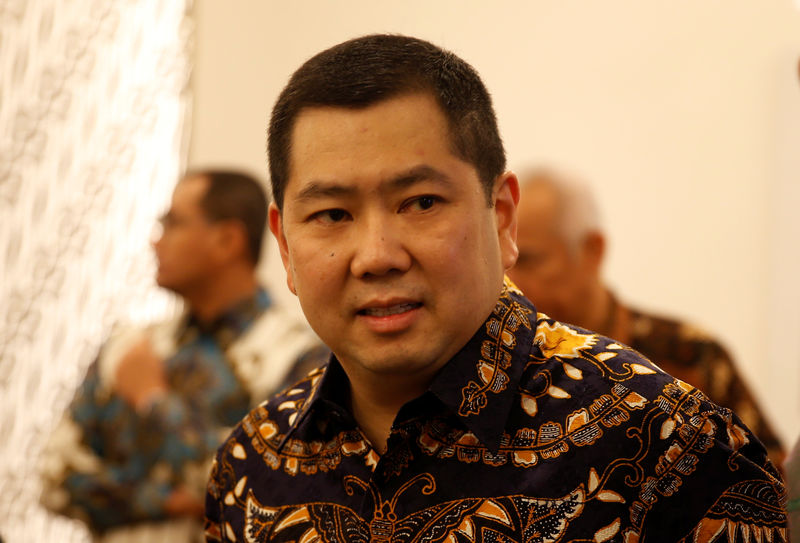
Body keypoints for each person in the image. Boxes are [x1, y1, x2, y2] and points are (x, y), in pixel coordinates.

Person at [205, 35, 787, 542]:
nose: (377, 256)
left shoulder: (666, 442)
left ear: (502, 216)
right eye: (332, 214)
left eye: (422, 203)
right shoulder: (252, 464)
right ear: (284, 245)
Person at [40, 170, 326, 542]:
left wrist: (154, 400)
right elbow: (56, 478)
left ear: (227, 240)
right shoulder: (128, 347)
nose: (155, 243)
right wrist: (169, 501)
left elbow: (265, 489)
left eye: (172, 223)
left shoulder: (297, 357)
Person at [506, 168, 784, 463]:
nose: (510, 282)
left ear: (592, 251)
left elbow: (774, 488)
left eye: (527, 260)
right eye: (504, 262)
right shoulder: (503, 364)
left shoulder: (690, 357)